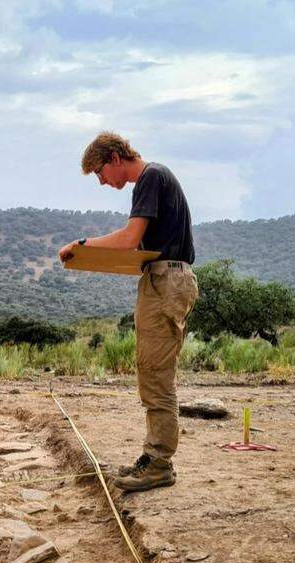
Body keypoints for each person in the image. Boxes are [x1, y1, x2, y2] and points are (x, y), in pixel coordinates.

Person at [59, 131, 199, 492]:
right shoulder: (155, 178)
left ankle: (158, 462)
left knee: (155, 372)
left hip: (166, 281)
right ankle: (154, 458)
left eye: (100, 173)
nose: (103, 182)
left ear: (115, 158)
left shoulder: (150, 177)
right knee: (152, 370)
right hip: (163, 278)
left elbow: (128, 239)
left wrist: (82, 245)